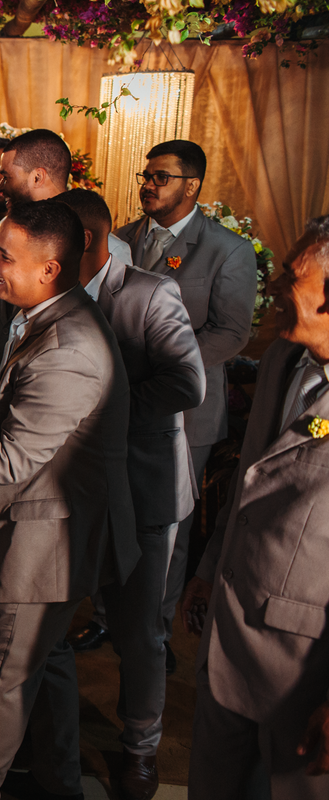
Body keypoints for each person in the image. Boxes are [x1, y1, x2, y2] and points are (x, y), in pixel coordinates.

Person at [0, 200, 136, 800]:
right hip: (47, 527)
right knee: (43, 665)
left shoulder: (67, 345)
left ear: (49, 269)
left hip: (43, 543)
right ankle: (60, 783)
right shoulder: (48, 315)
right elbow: (9, 399)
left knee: (0, 679)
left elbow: (12, 458)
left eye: (5, 256)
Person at [54, 188, 205, 799]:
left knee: (140, 634)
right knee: (48, 621)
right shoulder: (51, 291)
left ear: (85, 239)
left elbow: (187, 382)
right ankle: (48, 743)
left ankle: (140, 748)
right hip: (67, 489)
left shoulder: (148, 292)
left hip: (142, 488)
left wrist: (100, 411)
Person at [179, 214, 329, 800]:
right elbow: (250, 482)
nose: (274, 288)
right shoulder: (282, 362)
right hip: (228, 638)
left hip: (303, 672)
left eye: (292, 276)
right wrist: (207, 569)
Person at [112, 139, 257, 673]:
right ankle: (109, 616)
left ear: (191, 185)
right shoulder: (122, 239)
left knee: (167, 528)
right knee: (116, 513)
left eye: (161, 177)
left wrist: (167, 367)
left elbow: (232, 332)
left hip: (184, 411)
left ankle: (154, 629)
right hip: (120, 402)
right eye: (145, 175)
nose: (148, 185)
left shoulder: (227, 249)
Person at [0, 129, 133, 394]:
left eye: (7, 176)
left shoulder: (108, 249)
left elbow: (108, 340)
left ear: (37, 177)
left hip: (56, 386)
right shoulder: (5, 229)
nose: (0, 186)